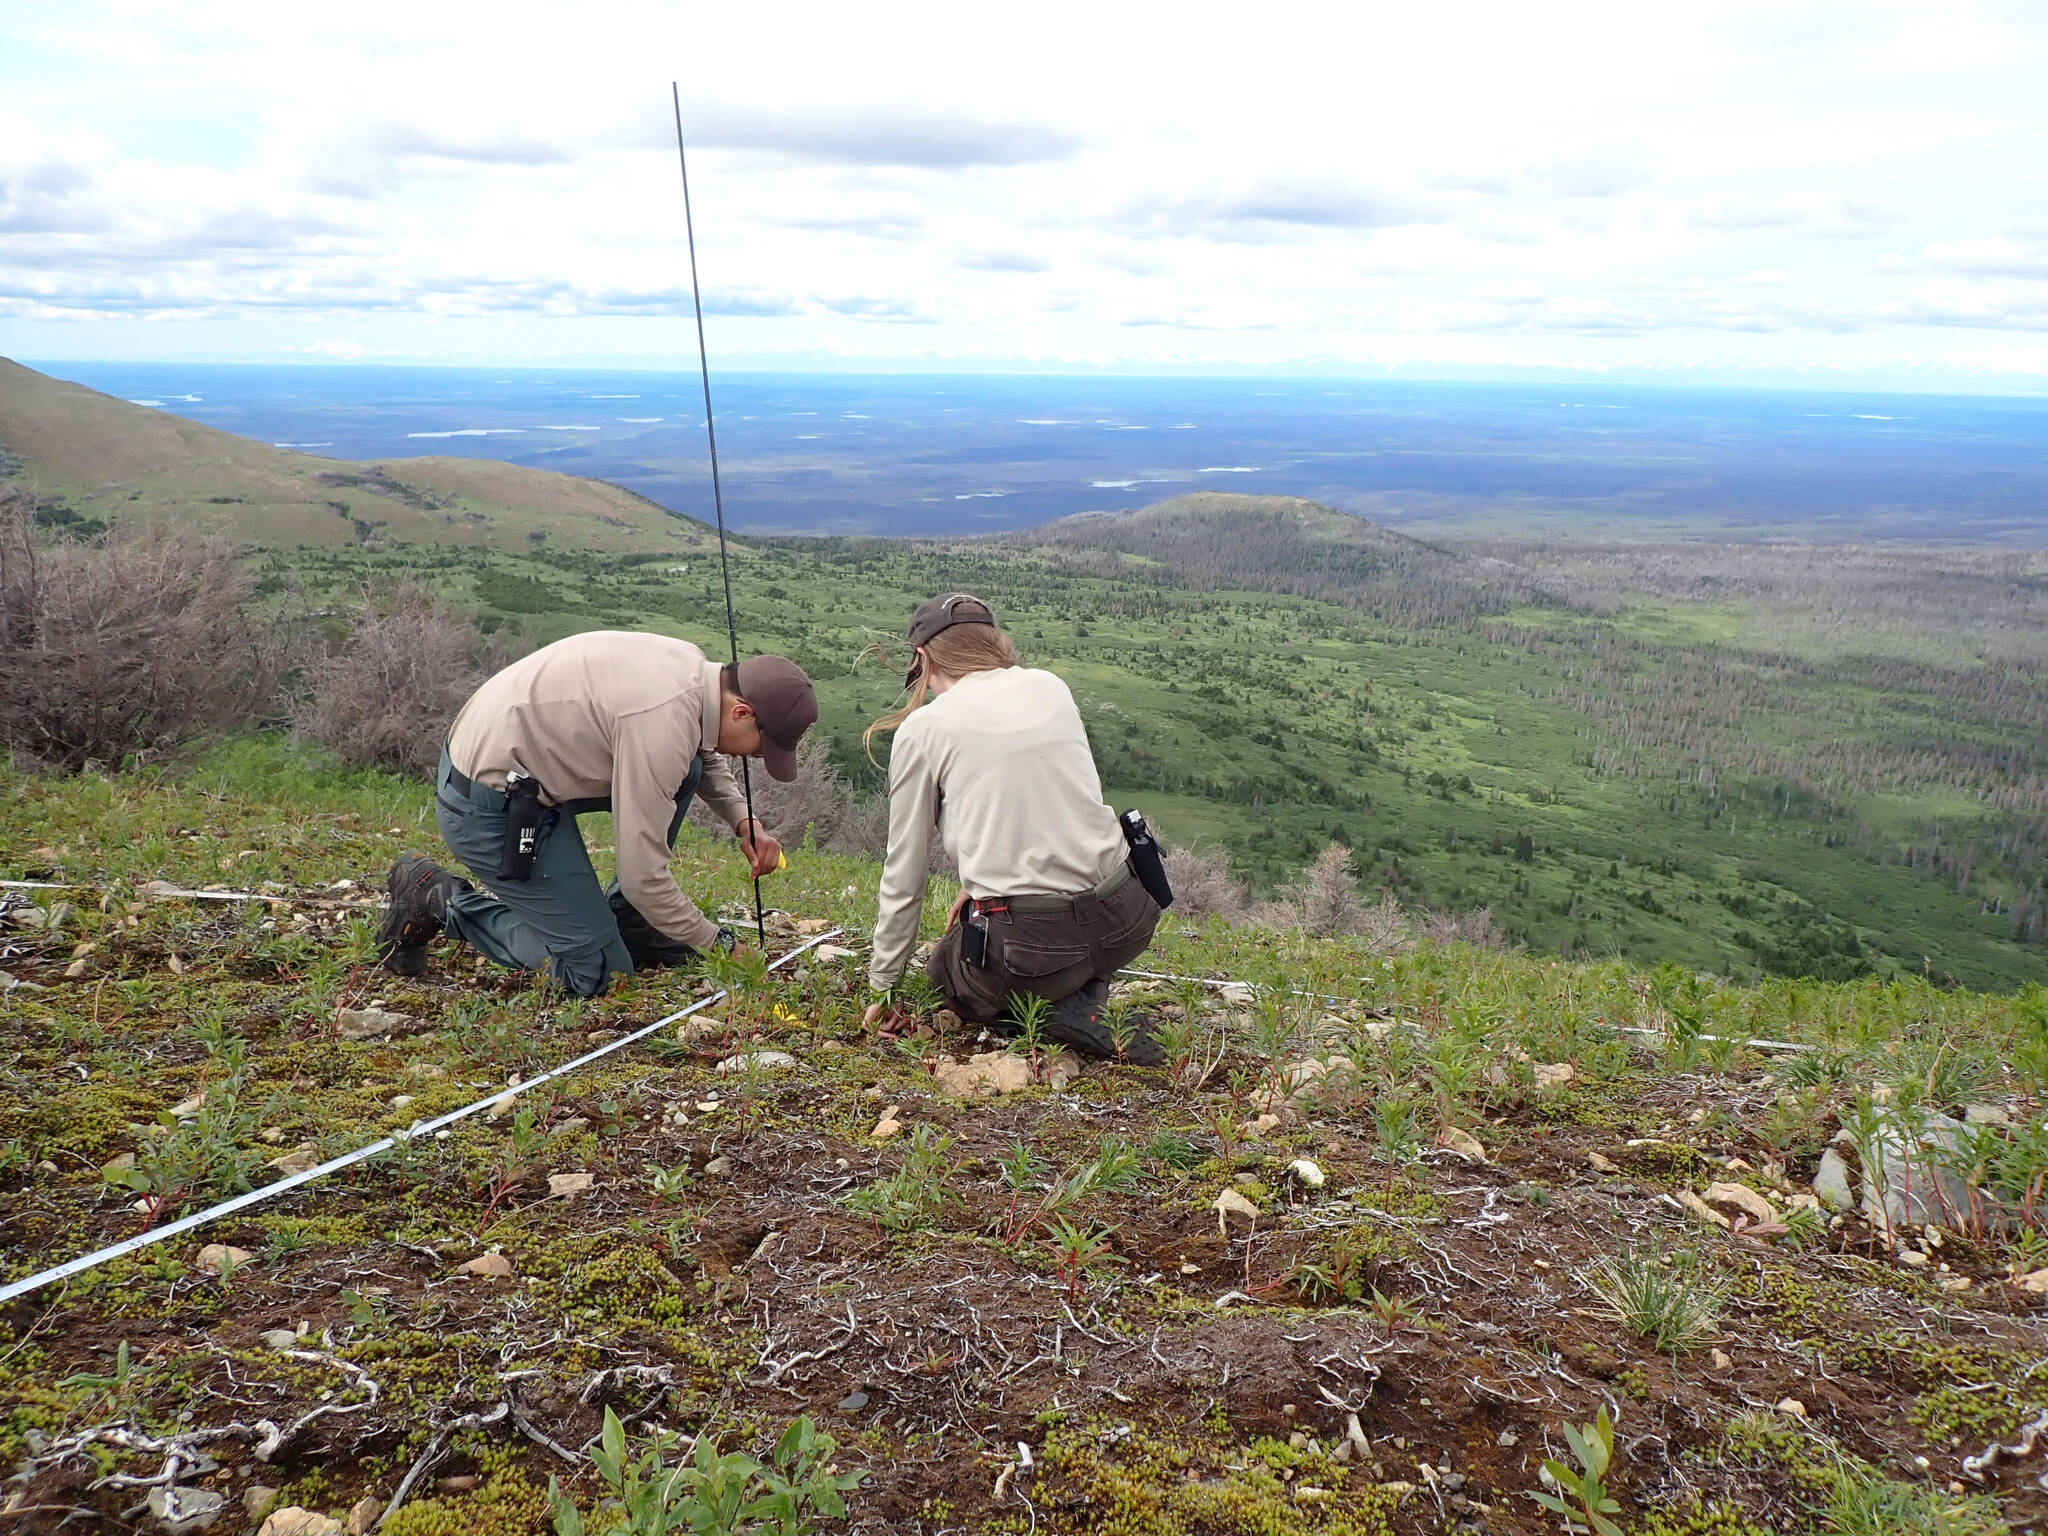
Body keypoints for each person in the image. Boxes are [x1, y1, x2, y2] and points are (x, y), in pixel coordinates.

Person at [374, 630, 817, 995]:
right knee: (597, 970)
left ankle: (630, 922)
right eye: (762, 748)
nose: (758, 758)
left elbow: (698, 751)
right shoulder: (661, 724)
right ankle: (437, 898)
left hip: (525, 770)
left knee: (690, 769)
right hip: (485, 802)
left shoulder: (695, 671)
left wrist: (744, 820)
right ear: (741, 711)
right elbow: (646, 879)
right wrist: (719, 944)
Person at [862, 593, 1164, 1062]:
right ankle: (1087, 984)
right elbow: (1062, 809)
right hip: (1127, 918)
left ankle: (1059, 1014)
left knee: (949, 973)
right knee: (1064, 946)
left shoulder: (923, 730)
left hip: (1032, 947)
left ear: (922, 657)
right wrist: (985, 883)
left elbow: (906, 875)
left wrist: (883, 987)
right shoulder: (1050, 687)